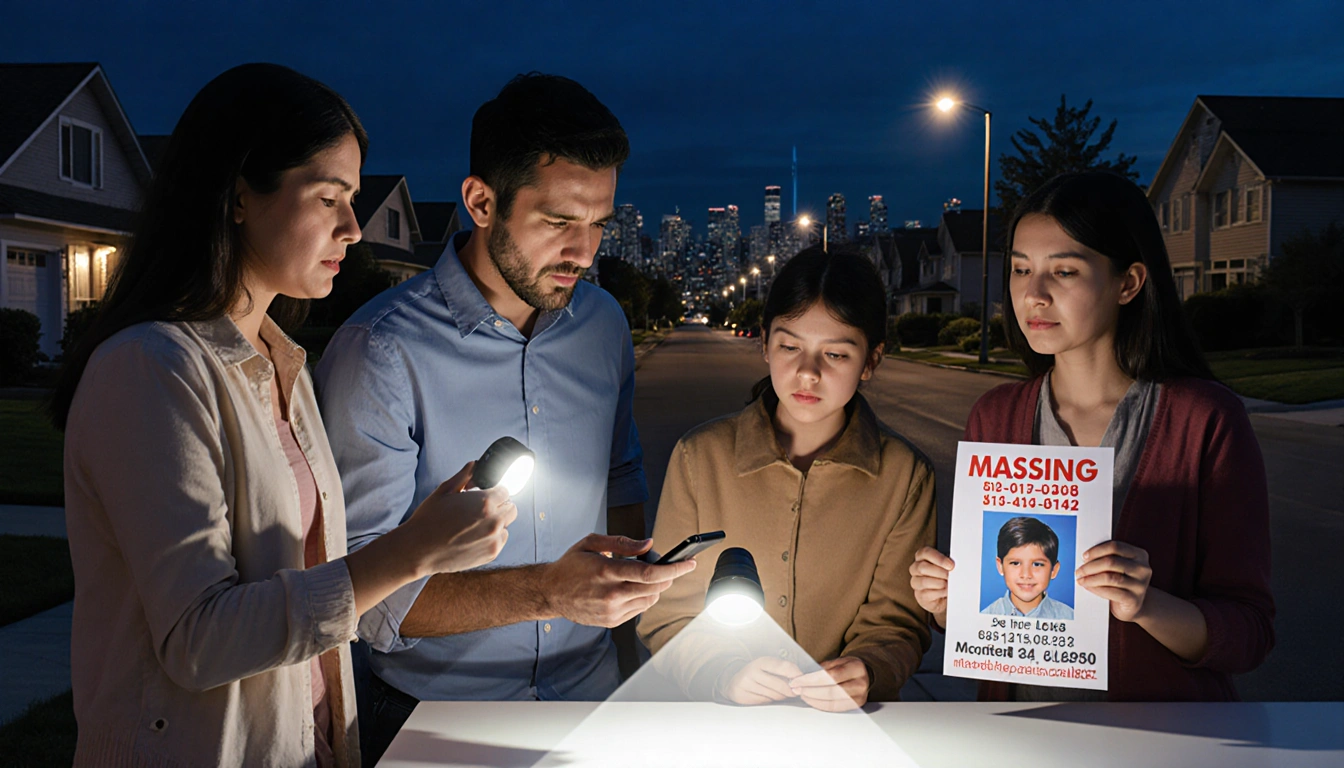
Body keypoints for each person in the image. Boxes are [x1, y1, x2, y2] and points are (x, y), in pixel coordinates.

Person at [49, 64, 516, 767]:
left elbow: (311, 597)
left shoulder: (283, 368)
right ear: (239, 196)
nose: (354, 229)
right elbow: (200, 639)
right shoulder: (150, 369)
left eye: (354, 200)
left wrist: (419, 537)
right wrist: (410, 552)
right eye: (329, 198)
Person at [314, 72, 694, 761]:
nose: (584, 252)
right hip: (436, 722)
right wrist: (549, 593)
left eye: (599, 225)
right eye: (558, 223)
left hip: (591, 700)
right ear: (481, 201)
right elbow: (362, 599)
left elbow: (621, 473)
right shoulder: (380, 352)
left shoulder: (603, 324)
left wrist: (625, 620)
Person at [909, 171, 1274, 701]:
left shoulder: (1205, 420)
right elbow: (989, 626)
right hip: (1019, 738)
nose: (1034, 294)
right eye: (1019, 269)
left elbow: (1249, 635)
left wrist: (1145, 604)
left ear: (1128, 283)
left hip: (1160, 739)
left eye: (1064, 271)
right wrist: (947, 604)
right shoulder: (996, 417)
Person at [637, 246, 937, 712]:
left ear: (871, 360)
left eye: (835, 353)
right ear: (764, 344)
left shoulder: (905, 475)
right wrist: (721, 673)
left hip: (845, 729)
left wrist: (869, 669)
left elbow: (896, 620)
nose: (807, 373)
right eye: (790, 346)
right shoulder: (701, 458)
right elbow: (668, 610)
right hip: (718, 726)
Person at [981, 517, 1074, 620]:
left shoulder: (1069, 617)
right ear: (1000, 566)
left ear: (1054, 570)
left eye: (1037, 564)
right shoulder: (984, 618)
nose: (1026, 575)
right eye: (1015, 563)